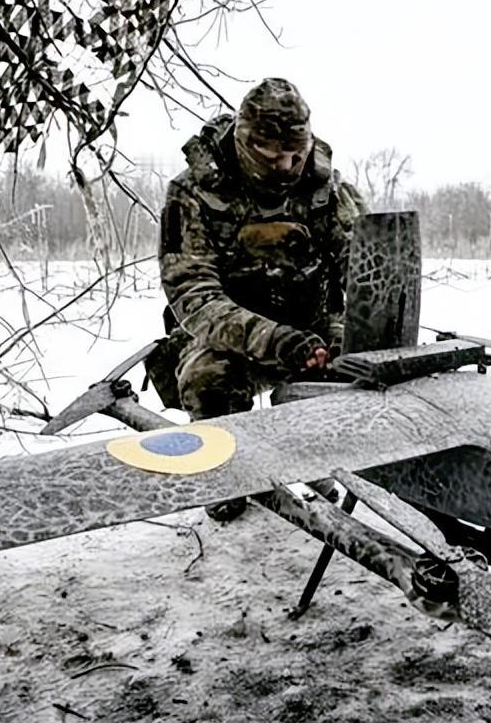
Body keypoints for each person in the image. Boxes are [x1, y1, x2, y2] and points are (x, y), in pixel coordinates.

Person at [151, 78, 366, 519]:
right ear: (242, 142)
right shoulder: (192, 193)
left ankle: (332, 464)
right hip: (227, 335)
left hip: (312, 323)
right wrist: (278, 341)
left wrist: (355, 337)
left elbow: (363, 274)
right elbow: (194, 298)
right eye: (269, 157)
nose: (284, 167)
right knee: (207, 377)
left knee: (361, 367)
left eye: (295, 155)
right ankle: (226, 477)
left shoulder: (329, 191)